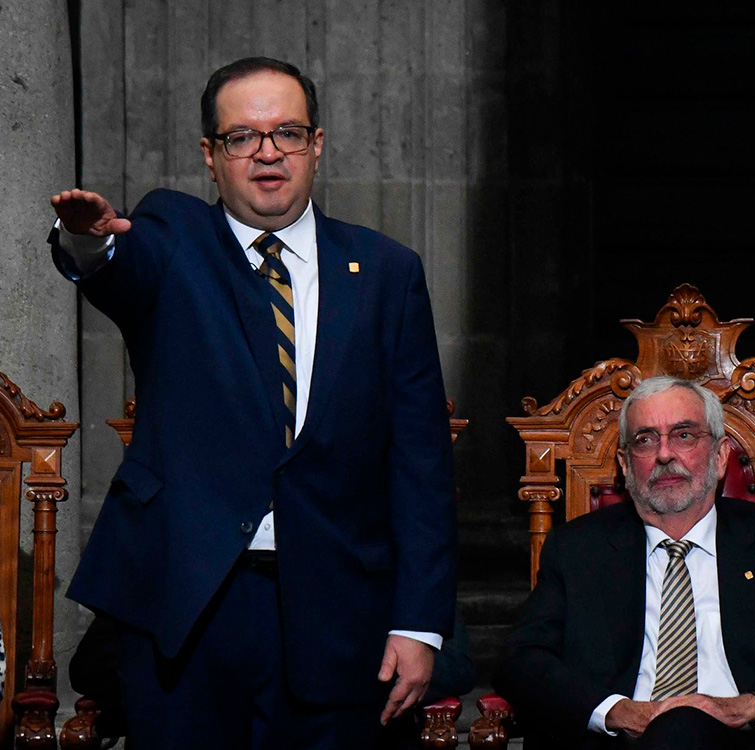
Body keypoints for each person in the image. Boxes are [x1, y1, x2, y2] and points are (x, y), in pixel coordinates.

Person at [48, 57, 456, 748]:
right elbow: (119, 268)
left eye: (288, 133)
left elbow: (419, 461)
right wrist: (88, 242)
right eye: (242, 137)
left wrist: (418, 623)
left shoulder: (387, 272)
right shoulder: (171, 240)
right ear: (211, 156)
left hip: (336, 608)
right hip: (188, 608)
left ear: (317, 145)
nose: (268, 152)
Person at [494, 376, 755, 750]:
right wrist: (616, 712)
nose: (664, 455)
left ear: (720, 454)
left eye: (684, 435)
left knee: (684, 729)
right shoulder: (577, 549)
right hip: (622, 741)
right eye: (645, 440)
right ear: (625, 465)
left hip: (745, 738)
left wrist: (751, 705)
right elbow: (521, 661)